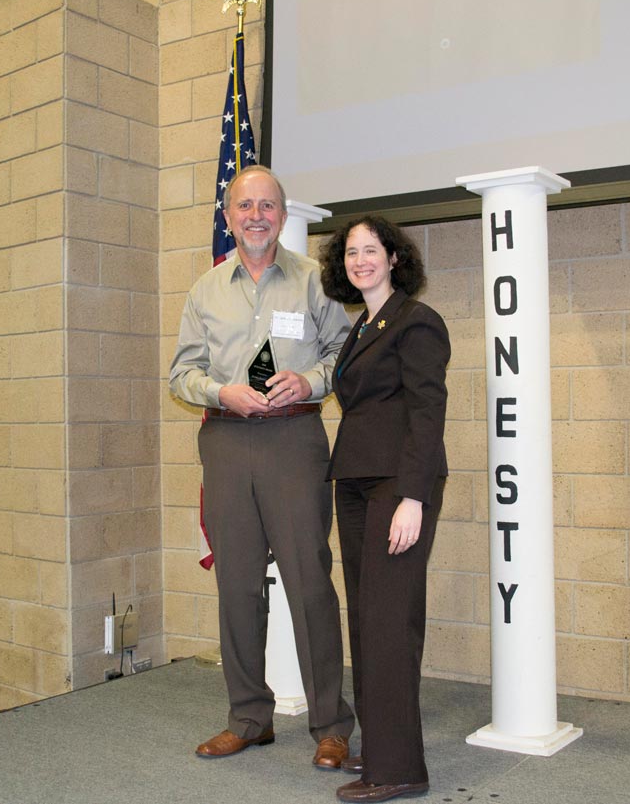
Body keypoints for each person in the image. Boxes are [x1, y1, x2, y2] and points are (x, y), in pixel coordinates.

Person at [169, 165, 356, 769]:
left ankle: (330, 724)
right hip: (226, 444)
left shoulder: (315, 282)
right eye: (244, 205)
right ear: (228, 217)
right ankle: (249, 717)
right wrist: (222, 392)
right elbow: (181, 374)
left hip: (294, 441)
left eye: (267, 205)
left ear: (281, 213)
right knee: (238, 588)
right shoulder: (205, 290)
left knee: (308, 584)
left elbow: (343, 358)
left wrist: (308, 379)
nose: (256, 215)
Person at [319, 215, 450, 803]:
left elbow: (427, 412)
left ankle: (400, 770)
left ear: (395, 258)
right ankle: (381, 745)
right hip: (354, 481)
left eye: (371, 250)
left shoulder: (417, 322)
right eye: (351, 252)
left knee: (391, 623)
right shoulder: (359, 326)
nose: (360, 260)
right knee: (368, 619)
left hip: (398, 485)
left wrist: (413, 497)